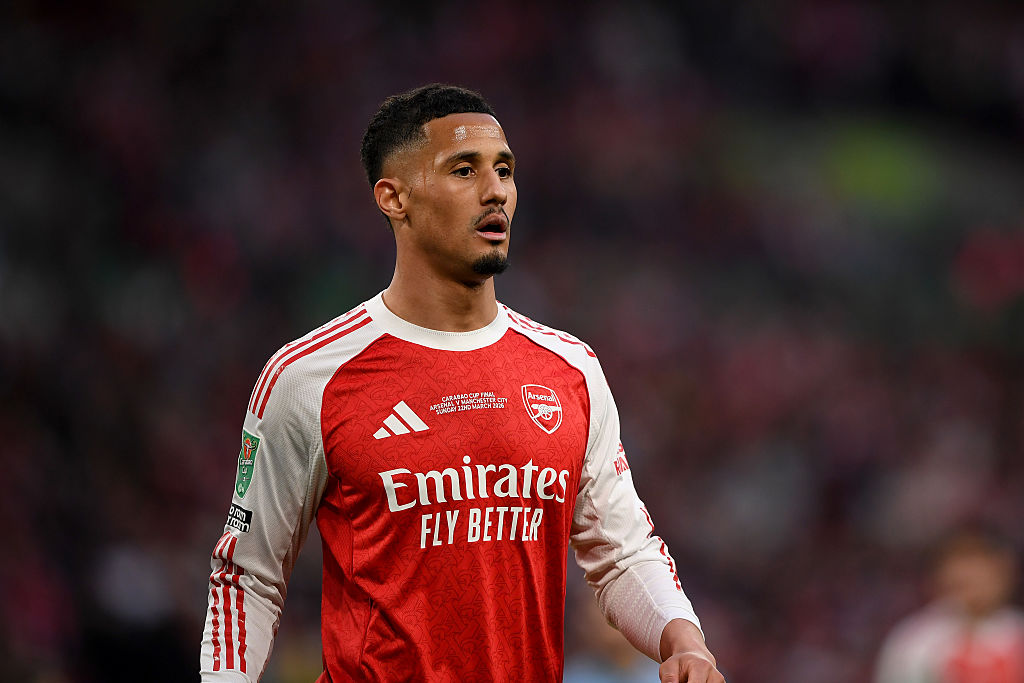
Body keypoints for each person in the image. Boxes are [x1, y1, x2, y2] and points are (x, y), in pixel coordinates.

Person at [199, 83, 723, 683]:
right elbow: (248, 575)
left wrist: (686, 642)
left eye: (504, 169)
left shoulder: (570, 370)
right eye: (463, 169)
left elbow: (623, 551)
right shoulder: (309, 379)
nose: (495, 189)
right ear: (393, 198)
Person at [874, 526, 1024, 683]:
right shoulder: (917, 641)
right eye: (961, 561)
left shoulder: (1018, 631)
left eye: (982, 562)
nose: (970, 573)